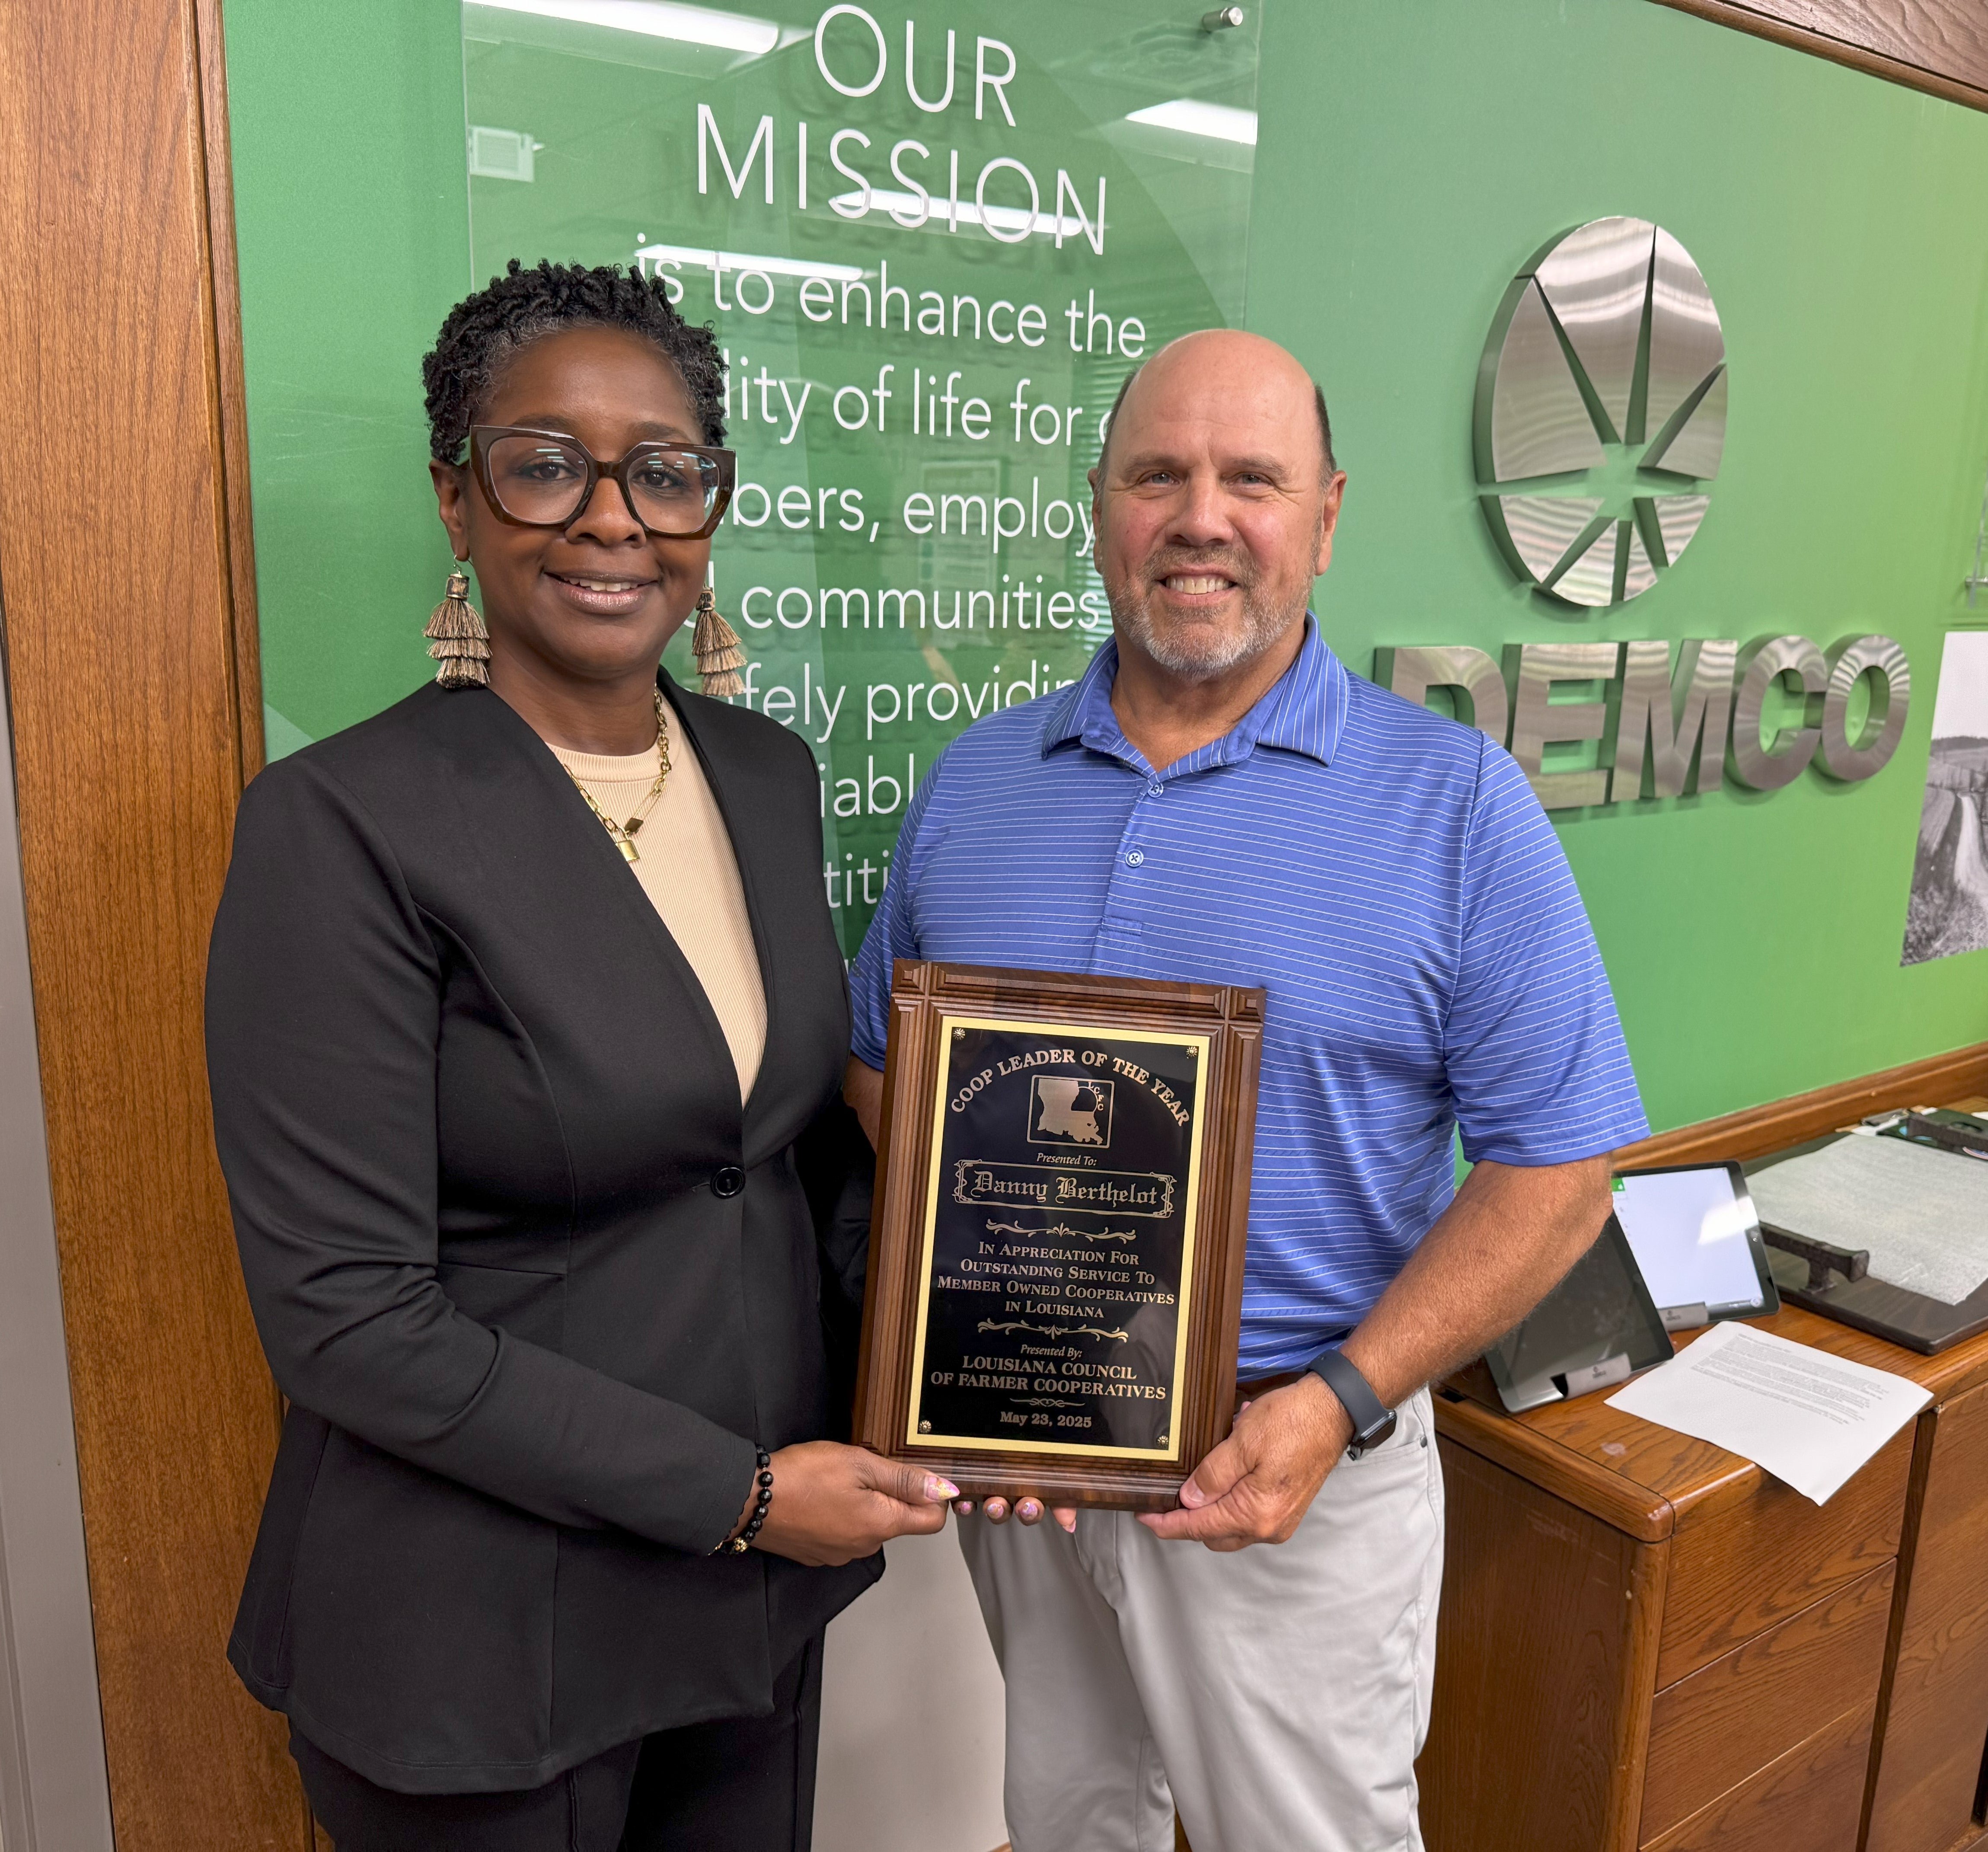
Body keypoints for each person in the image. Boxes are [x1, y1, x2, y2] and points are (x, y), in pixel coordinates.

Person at [843, 329, 1648, 1852]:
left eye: (1251, 479)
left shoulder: (1456, 802)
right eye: (1159, 473)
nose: (1200, 516)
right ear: (1099, 507)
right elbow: (881, 1061)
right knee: (1071, 1818)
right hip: (1031, 1469)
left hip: (1296, 1468)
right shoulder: (976, 780)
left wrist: (1341, 1400)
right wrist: (998, 1329)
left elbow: (1559, 1169)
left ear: (1325, 519)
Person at [205, 259, 953, 1852]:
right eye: (546, 463)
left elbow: (785, 1153)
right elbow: (345, 1318)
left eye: (666, 471)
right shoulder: (340, 826)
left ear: (710, 508)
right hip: (476, 1635)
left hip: (745, 1615)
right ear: (456, 500)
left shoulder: (761, 771)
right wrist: (747, 1494)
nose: (613, 517)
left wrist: (956, 1378)